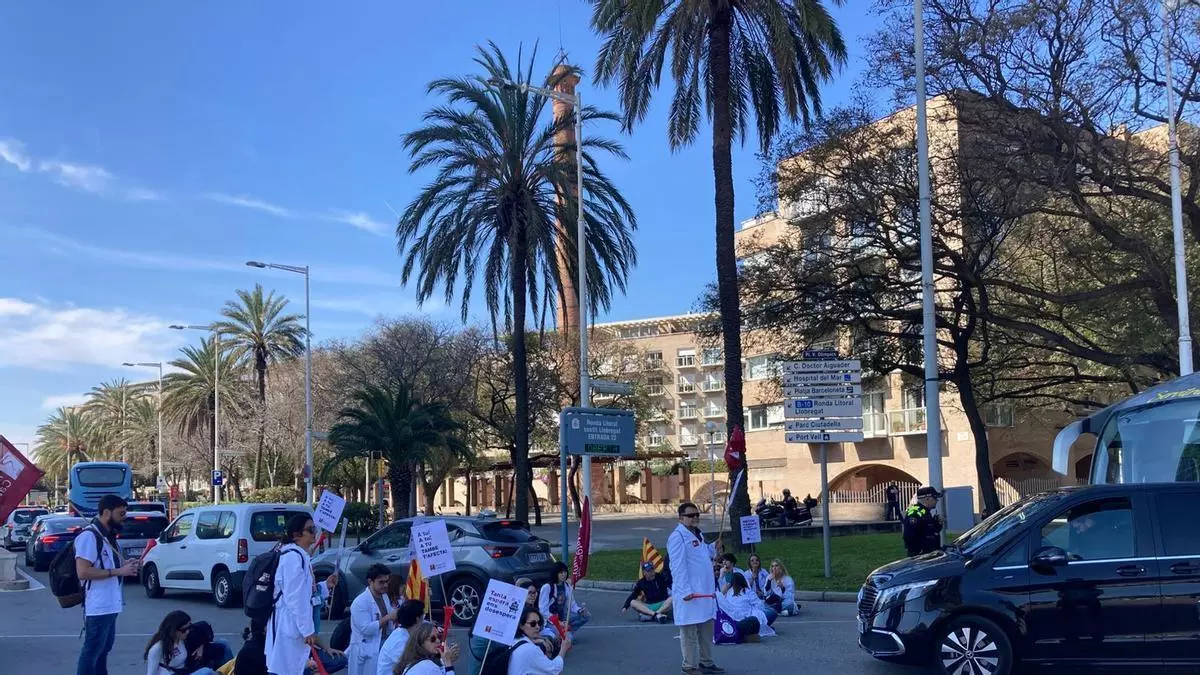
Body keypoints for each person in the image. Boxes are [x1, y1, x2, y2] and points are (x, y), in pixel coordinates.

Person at [76, 493, 140, 675]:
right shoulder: (90, 536)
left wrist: (125, 565)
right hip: (98, 606)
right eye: (121, 513)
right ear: (106, 513)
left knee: (103, 650)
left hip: (111, 605)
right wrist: (119, 571)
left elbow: (107, 565)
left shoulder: (108, 537)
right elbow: (83, 571)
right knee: (92, 651)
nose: (124, 518)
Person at [667, 501, 724, 675]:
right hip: (690, 594)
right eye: (690, 515)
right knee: (689, 633)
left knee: (706, 632)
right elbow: (677, 567)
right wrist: (685, 591)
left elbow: (702, 554)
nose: (695, 518)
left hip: (704, 593)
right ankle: (689, 666)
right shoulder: (677, 537)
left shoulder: (698, 535)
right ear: (681, 518)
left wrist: (713, 547)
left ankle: (706, 662)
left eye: (697, 514)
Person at [266, 514, 321, 675]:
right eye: (310, 529)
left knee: (292, 668)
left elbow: (304, 592)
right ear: (297, 535)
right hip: (287, 625)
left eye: (314, 528)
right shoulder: (292, 558)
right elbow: (295, 598)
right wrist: (307, 630)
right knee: (285, 668)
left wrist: (325, 587)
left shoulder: (299, 556)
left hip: (293, 625)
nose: (314, 533)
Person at [348, 563, 396, 675]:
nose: (385, 585)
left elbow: (391, 616)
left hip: (383, 644)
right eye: (381, 582)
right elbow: (366, 629)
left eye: (387, 581)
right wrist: (388, 617)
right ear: (370, 581)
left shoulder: (384, 596)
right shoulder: (360, 602)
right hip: (366, 647)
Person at [144, 610, 220, 675]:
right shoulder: (158, 648)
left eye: (189, 627)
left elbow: (204, 626)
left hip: (186, 670)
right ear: (173, 630)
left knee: (223, 644)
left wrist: (201, 646)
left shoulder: (183, 638)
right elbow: (151, 673)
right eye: (184, 630)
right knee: (207, 671)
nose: (187, 631)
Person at [508, 606, 569, 675]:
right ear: (521, 625)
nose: (538, 627)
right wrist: (563, 648)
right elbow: (554, 670)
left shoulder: (514, 641)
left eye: (539, 623)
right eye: (533, 624)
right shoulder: (529, 649)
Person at [538, 562, 588, 640]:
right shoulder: (547, 587)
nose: (564, 574)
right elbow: (543, 610)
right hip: (550, 621)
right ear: (555, 573)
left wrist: (579, 610)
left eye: (565, 572)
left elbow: (572, 605)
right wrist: (558, 622)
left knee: (585, 616)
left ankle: (565, 631)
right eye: (561, 572)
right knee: (569, 638)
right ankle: (559, 634)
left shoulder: (567, 586)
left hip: (563, 618)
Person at [720, 574, 776, 641]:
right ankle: (760, 628)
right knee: (771, 612)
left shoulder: (727, 592)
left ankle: (758, 629)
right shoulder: (747, 591)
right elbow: (760, 605)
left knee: (755, 619)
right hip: (744, 620)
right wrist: (754, 609)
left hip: (732, 623)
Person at [377, 599, 426, 675]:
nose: (424, 620)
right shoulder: (400, 641)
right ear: (417, 619)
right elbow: (412, 667)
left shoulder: (403, 632)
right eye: (423, 616)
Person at [395, 623, 459, 675]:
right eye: (432, 639)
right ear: (421, 642)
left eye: (439, 636)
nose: (438, 641)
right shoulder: (428, 666)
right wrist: (448, 662)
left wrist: (444, 660)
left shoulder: (411, 662)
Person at [903, 487, 944, 556]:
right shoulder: (915, 512)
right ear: (927, 499)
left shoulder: (925, 512)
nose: (937, 500)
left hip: (928, 554)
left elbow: (927, 532)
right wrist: (919, 551)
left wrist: (937, 525)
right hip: (920, 556)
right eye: (935, 498)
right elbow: (909, 536)